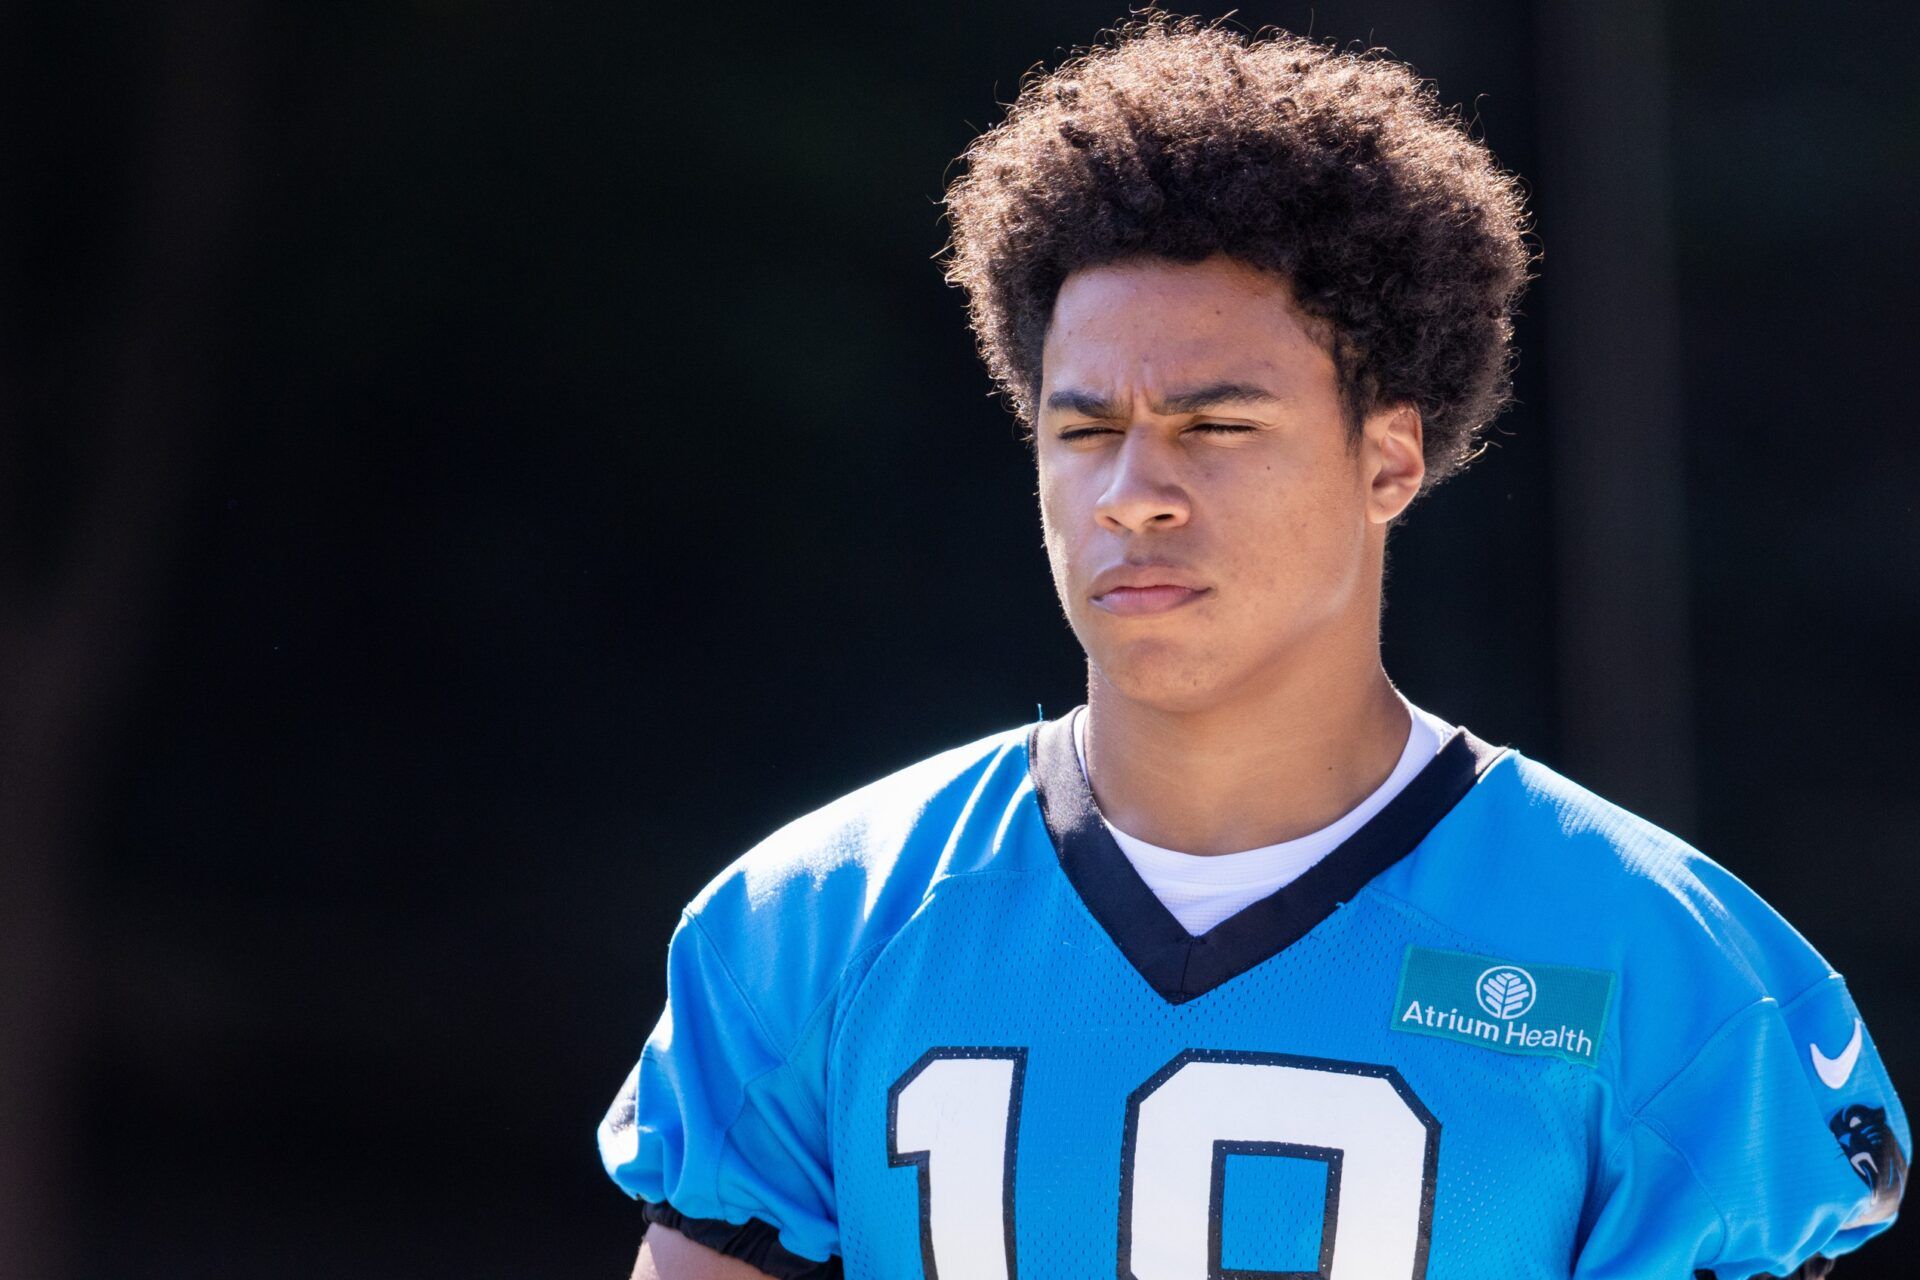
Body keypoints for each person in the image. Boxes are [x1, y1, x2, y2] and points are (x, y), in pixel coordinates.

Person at [596, 16, 1906, 1279]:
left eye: (1214, 428)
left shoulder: (1664, 971)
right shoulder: (815, 926)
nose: (1133, 493)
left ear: (1387, 459)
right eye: (1084, 428)